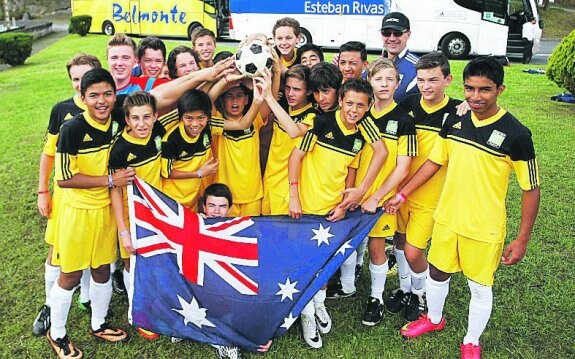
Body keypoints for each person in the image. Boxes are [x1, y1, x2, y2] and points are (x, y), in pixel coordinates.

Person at [384, 56, 540, 359]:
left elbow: (531, 189)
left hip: (483, 227)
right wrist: (403, 195)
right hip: (446, 217)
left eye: (485, 90)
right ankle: (434, 319)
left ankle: (471, 340)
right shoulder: (454, 120)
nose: (475, 96)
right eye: (470, 89)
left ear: (500, 89)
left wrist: (522, 239)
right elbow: (434, 161)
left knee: (479, 286)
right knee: (437, 272)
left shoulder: (517, 135)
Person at [288, 78, 387, 348]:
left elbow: (356, 170)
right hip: (306, 207)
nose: (354, 110)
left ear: (368, 108)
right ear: (341, 100)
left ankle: (318, 305)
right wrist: (294, 195)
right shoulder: (320, 123)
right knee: (307, 264)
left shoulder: (361, 135)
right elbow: (295, 158)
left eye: (361, 106)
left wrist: (347, 203)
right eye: (350, 103)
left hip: (332, 210)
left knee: (324, 264)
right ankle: (306, 315)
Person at [48, 68, 134, 358]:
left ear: (115, 95)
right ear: (82, 98)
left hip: (106, 210)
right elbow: (63, 178)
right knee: (70, 275)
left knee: (101, 269)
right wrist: (110, 180)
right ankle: (57, 333)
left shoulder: (119, 118)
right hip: (78, 213)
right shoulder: (71, 129)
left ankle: (99, 323)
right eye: (94, 95)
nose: (101, 101)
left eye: (107, 94)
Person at [330, 59, 417, 328]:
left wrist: (376, 196)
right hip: (350, 192)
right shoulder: (361, 114)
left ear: (398, 83)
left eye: (390, 79)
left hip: (377, 198)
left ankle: (376, 298)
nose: (384, 84)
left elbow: (403, 168)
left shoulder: (404, 120)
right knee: (348, 240)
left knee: (378, 247)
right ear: (369, 81)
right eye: (379, 79)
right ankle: (346, 284)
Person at [385, 52, 461, 322]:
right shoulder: (406, 104)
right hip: (399, 192)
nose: (426, 86)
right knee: (400, 241)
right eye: (421, 80)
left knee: (415, 251)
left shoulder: (458, 112)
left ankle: (421, 293)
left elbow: (437, 162)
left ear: (448, 80)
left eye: (433, 80)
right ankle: (405, 288)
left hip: (429, 196)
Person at [33, 53, 102, 337]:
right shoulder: (62, 111)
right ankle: (49, 305)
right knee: (59, 252)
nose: (79, 84)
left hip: (99, 196)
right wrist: (41, 191)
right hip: (67, 196)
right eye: (75, 79)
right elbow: (48, 154)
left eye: (85, 77)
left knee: (95, 252)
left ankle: (87, 297)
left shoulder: (107, 108)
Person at [108, 91, 166, 340]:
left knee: (155, 260)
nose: (142, 124)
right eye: (135, 118)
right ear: (127, 120)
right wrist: (123, 231)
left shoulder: (157, 131)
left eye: (146, 117)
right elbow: (115, 192)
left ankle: (156, 306)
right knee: (132, 263)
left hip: (157, 212)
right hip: (132, 216)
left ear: (155, 117)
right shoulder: (120, 148)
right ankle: (138, 312)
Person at [260, 65, 317, 215]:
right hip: (268, 181)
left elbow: (294, 131)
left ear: (309, 91)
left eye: (297, 90)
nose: (290, 94)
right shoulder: (283, 106)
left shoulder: (312, 115)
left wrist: (270, 98)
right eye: (287, 88)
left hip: (286, 188)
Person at [380, 12, 419, 101]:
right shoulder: (374, 66)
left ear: (408, 34)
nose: (392, 38)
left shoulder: (418, 67)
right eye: (386, 33)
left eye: (397, 33)